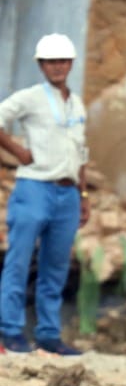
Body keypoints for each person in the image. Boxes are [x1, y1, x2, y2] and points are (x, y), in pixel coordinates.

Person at [0, 34, 90, 355]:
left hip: (67, 195)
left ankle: (49, 335)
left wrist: (84, 197)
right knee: (19, 262)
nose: (57, 67)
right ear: (41, 65)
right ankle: (10, 332)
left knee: (55, 268)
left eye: (63, 61)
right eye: (50, 62)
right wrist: (19, 152)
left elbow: (80, 153)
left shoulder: (77, 104)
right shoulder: (31, 97)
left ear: (71, 64)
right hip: (34, 188)